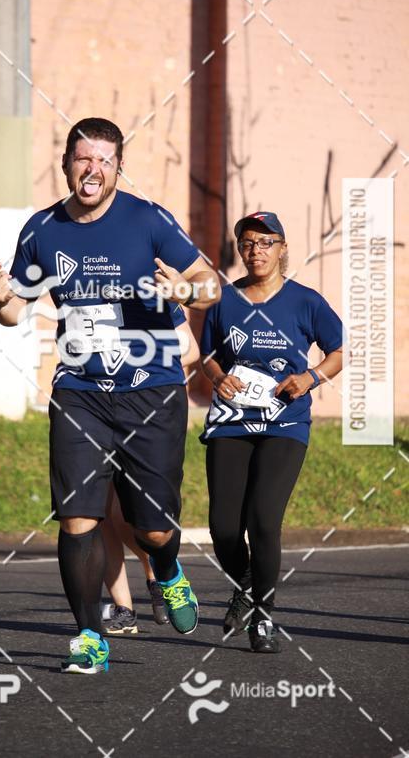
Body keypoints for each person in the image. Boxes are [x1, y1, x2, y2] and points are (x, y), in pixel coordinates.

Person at [0, 117, 220, 674]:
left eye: (104, 161)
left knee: (153, 526)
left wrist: (184, 289)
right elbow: (15, 309)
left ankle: (166, 569)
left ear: (119, 168)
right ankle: (90, 635)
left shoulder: (148, 219)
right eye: (83, 159)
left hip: (152, 390)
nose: (93, 170)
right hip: (80, 392)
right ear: (66, 163)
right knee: (77, 520)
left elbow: (210, 283)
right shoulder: (42, 230)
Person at [199, 211, 343, 654]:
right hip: (232, 422)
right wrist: (217, 377)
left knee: (263, 521)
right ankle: (245, 582)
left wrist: (311, 378)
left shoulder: (306, 301)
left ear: (282, 249)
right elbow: (206, 356)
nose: (256, 251)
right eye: (247, 243)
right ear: (239, 250)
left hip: (285, 422)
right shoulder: (224, 300)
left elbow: (337, 351)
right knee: (224, 528)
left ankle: (262, 615)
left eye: (266, 242)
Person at [102, 318, 200, 634]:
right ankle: (123, 609)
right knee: (97, 512)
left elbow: (190, 350)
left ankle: (158, 574)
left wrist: (134, 363)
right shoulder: (82, 289)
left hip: (145, 409)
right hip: (93, 405)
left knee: (130, 517)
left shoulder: (150, 291)